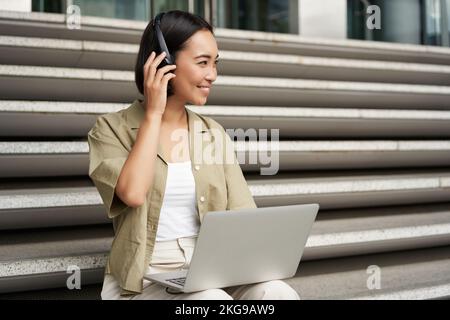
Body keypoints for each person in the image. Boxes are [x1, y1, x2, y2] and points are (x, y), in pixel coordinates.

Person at [88, 10, 300, 300]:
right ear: (165, 62)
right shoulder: (110, 129)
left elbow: (243, 215)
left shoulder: (213, 134)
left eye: (215, 64)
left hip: (210, 270)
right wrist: (153, 114)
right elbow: (133, 194)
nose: (212, 75)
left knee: (278, 293)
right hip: (146, 278)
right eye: (202, 63)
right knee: (211, 300)